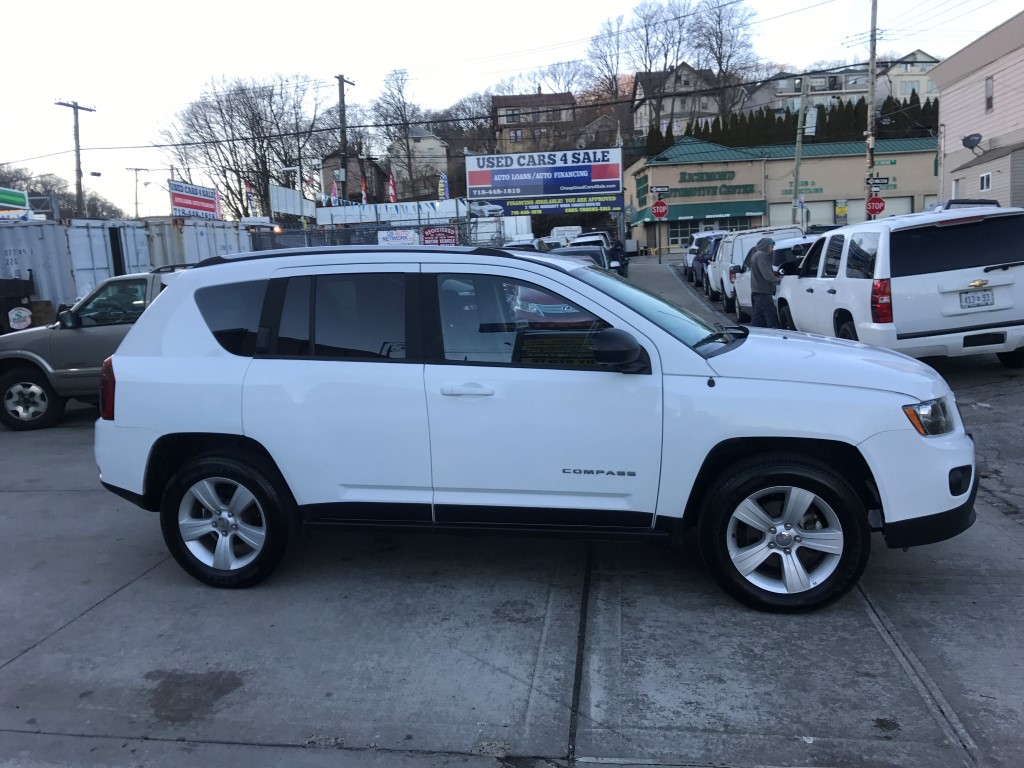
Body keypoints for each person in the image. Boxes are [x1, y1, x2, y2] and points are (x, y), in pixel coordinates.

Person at [749, 237, 780, 328]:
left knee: (758, 319)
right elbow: (767, 275)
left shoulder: (756, 254)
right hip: (763, 293)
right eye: (771, 247)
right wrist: (779, 280)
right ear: (765, 246)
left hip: (757, 292)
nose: (772, 250)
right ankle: (774, 336)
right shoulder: (762, 255)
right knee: (771, 317)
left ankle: (753, 335)